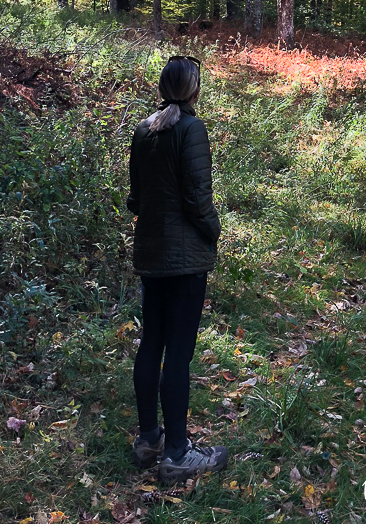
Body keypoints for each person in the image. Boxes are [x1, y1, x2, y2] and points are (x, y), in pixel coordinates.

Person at [127, 54, 228, 484]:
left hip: (151, 255)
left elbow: (136, 199)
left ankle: (149, 439)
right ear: (194, 90)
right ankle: (177, 454)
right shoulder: (191, 128)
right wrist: (213, 232)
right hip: (184, 260)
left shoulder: (143, 130)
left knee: (152, 342)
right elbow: (197, 199)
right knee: (179, 355)